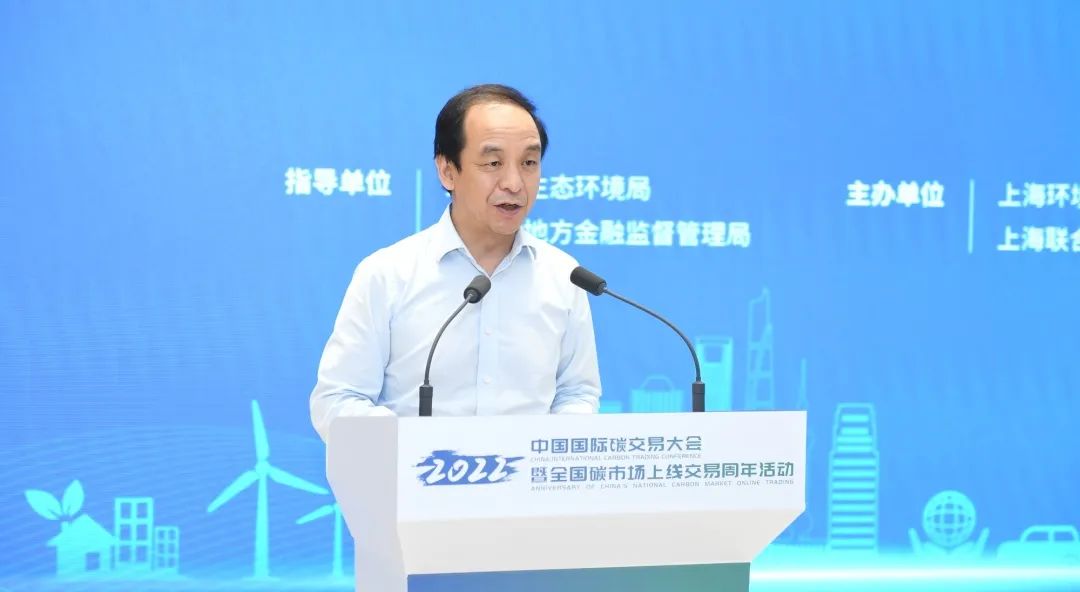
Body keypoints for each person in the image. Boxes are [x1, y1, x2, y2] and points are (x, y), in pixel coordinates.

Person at [309, 84, 601, 441]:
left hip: (526, 477)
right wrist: (412, 448)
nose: (514, 183)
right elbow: (337, 400)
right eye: (493, 163)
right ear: (448, 171)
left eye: (529, 163)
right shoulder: (387, 275)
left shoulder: (564, 276)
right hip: (417, 474)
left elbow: (577, 393)